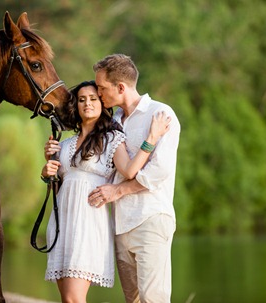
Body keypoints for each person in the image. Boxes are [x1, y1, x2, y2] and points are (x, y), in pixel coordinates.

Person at [41, 80, 171, 303]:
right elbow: (59, 185)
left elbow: (130, 171)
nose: (87, 104)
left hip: (88, 223)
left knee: (74, 298)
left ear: (102, 105)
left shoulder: (111, 138)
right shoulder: (64, 144)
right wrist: (47, 170)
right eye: (82, 100)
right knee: (67, 299)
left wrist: (151, 139)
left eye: (93, 99)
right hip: (62, 222)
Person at [88, 54, 181, 303]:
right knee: (133, 299)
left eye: (101, 88)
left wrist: (117, 192)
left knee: (154, 298)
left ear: (120, 87)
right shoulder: (113, 121)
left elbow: (158, 171)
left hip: (150, 217)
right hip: (120, 224)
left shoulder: (160, 113)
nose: (98, 93)